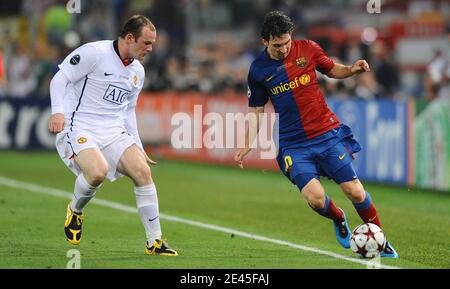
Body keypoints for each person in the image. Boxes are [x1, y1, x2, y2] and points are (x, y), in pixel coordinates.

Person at [234, 11, 398, 258]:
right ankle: (338, 217)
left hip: (326, 134)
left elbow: (332, 70)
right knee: (315, 198)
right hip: (293, 144)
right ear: (264, 41)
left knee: (355, 191)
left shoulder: (308, 48)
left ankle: (380, 239)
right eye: (278, 45)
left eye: (287, 42)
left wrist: (352, 69)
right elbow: (256, 111)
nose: (284, 49)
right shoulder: (258, 70)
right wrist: (247, 143)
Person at [48, 15, 178, 256]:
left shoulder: (137, 72)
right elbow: (59, 79)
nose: (150, 49)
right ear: (129, 38)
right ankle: (75, 211)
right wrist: (58, 113)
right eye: (146, 43)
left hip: (113, 130)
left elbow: (128, 111)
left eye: (152, 44)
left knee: (142, 172)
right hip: (80, 125)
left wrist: (137, 145)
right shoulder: (94, 53)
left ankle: (155, 241)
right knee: (96, 172)